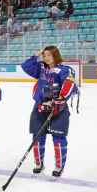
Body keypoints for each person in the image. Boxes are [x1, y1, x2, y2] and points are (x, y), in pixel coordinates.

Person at [21, 46, 79, 178]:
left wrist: (60, 99)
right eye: (44, 55)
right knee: (37, 137)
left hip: (57, 109)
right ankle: (38, 164)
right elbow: (25, 66)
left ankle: (59, 166)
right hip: (40, 108)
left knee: (58, 138)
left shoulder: (65, 69)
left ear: (55, 55)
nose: (46, 58)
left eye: (49, 55)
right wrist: (38, 53)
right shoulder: (40, 68)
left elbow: (70, 83)